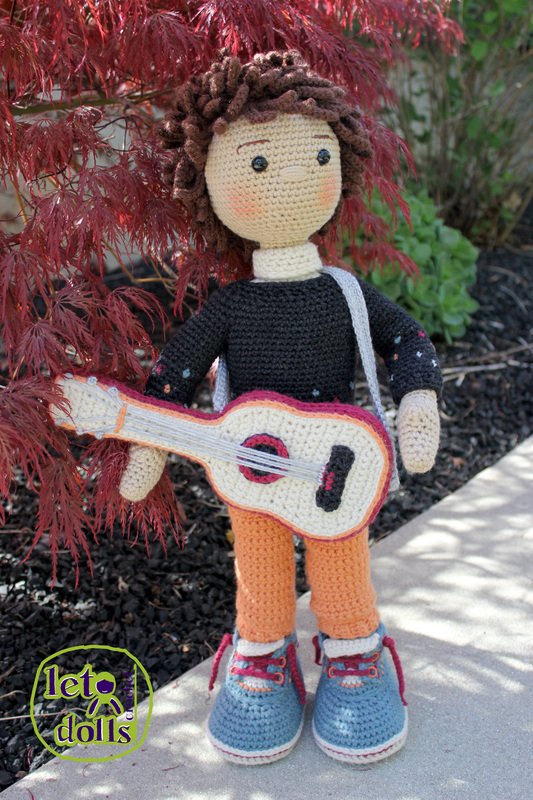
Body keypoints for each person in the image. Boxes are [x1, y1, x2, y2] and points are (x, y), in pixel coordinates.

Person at [119, 51, 442, 765]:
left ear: (341, 165)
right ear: (210, 185)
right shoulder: (231, 306)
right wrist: (148, 438)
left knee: (341, 568)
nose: (294, 177)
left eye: (315, 157)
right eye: (260, 163)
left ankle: (354, 653)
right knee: (260, 575)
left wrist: (417, 398)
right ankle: (263, 656)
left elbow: (407, 338)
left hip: (335, 472)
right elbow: (174, 372)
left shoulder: (345, 292)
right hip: (255, 471)